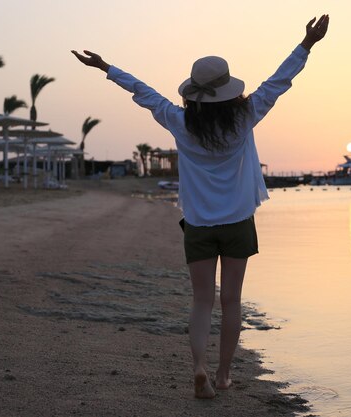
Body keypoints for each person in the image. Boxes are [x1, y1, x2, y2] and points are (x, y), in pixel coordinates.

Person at [72, 14, 329, 399]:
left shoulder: (179, 122)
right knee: (232, 303)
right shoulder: (245, 116)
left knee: (201, 302)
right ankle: (224, 375)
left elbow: (143, 93)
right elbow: (279, 82)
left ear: (193, 93)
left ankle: (199, 368)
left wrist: (106, 67)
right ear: (229, 92)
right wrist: (307, 43)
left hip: (198, 226)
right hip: (239, 223)